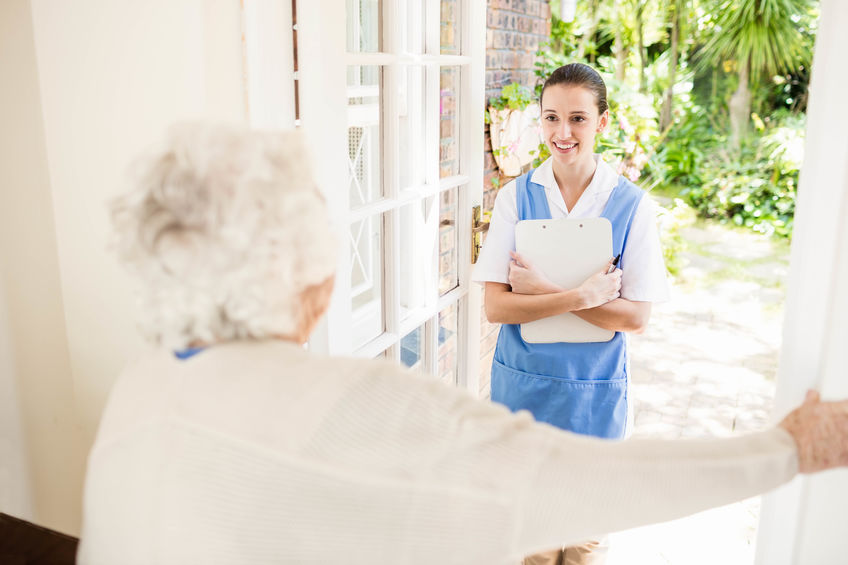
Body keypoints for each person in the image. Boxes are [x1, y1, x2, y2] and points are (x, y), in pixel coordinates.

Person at [77, 123, 848, 565]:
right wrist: (787, 448)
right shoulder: (351, 403)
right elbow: (582, 482)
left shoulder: (140, 384)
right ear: (301, 268)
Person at [473, 63, 669, 563]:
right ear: (539, 121)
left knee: (584, 543)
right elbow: (497, 306)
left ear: (603, 122)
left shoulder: (632, 207)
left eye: (578, 118)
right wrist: (580, 296)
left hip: (595, 397)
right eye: (552, 117)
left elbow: (636, 318)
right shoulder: (516, 197)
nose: (563, 133)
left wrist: (540, 292)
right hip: (525, 393)